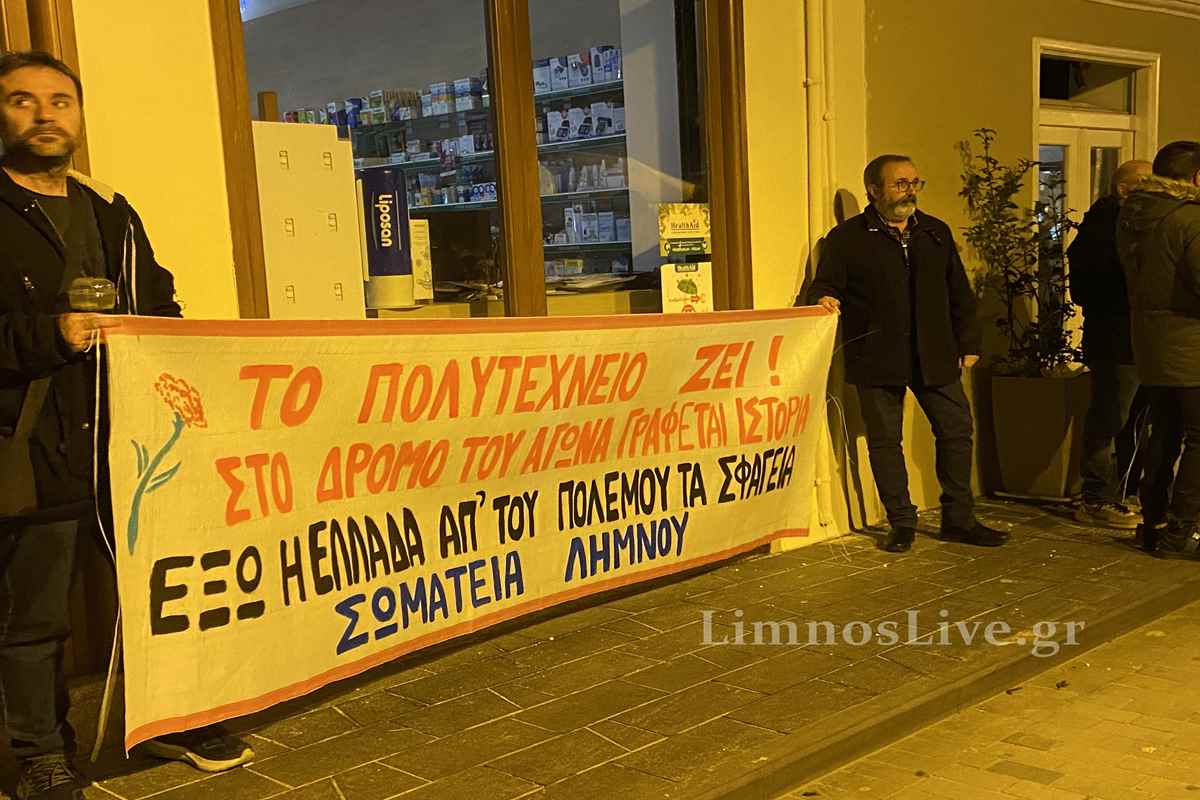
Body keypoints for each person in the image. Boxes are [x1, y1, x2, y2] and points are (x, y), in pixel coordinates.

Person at [0, 52, 253, 799]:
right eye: (22, 100)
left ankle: (169, 718)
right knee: (34, 619)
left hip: (129, 442)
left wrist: (170, 347)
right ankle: (42, 758)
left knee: (155, 595)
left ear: (79, 115)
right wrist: (53, 334)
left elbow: (160, 303)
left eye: (61, 101)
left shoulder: (110, 207)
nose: (46, 114)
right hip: (29, 450)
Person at [807, 154, 1007, 553]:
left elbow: (959, 294)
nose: (909, 191)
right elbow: (825, 285)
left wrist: (968, 343)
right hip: (877, 354)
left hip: (934, 353)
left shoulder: (933, 232)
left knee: (956, 430)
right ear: (874, 190)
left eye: (915, 182)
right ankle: (901, 522)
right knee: (885, 441)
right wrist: (826, 297)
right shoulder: (847, 239)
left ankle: (958, 519)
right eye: (900, 184)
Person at [1118, 141, 1200, 559]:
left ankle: (1154, 523)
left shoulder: (1134, 215)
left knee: (1163, 435)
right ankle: (1179, 532)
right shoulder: (1189, 219)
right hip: (1190, 346)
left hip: (1151, 345)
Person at [1069, 160, 1151, 530]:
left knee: (1136, 419)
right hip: (1115, 340)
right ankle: (1097, 496)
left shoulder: (1137, 227)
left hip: (1139, 341)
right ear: (1124, 189)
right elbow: (1089, 287)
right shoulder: (1103, 229)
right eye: (1147, 183)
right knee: (1110, 416)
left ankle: (1128, 491)